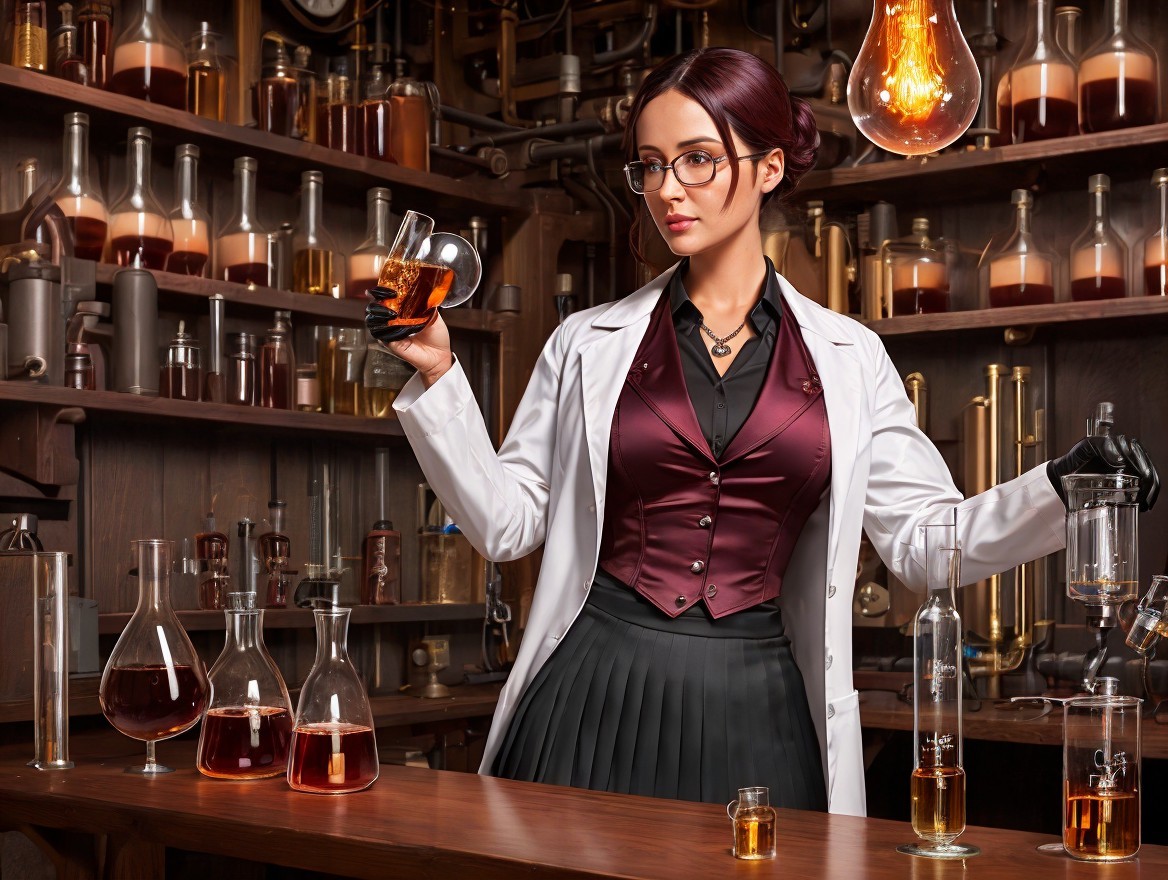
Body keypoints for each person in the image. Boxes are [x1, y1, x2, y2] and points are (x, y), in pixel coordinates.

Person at [382, 47, 1159, 816]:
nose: (668, 190)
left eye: (697, 161)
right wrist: (438, 375)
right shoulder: (587, 342)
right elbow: (506, 523)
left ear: (770, 168)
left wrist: (1064, 488)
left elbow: (926, 543)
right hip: (592, 694)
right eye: (649, 166)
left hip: (761, 707)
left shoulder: (851, 359)